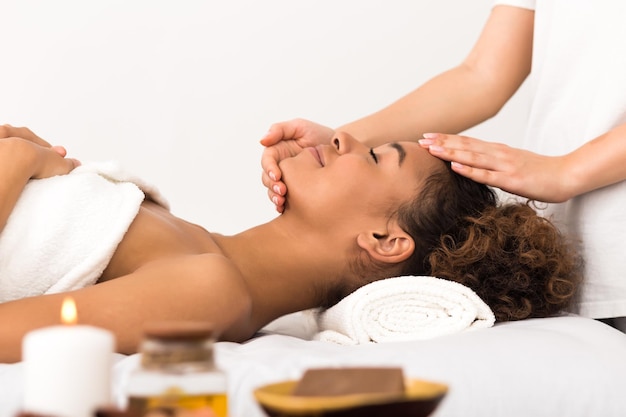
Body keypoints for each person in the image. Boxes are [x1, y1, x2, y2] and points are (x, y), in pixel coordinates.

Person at [0, 123, 580, 364]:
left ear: (384, 238)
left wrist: (17, 164)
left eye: (379, 155)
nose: (347, 136)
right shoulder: (191, 241)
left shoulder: (209, 290)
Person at [259, 1, 626, 331]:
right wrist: (335, 142)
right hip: (578, 270)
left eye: (375, 155)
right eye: (376, 154)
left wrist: (569, 170)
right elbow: (482, 76)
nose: (344, 144)